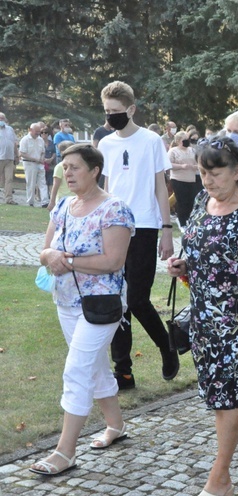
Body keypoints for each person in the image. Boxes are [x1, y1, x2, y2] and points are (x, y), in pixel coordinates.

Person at [167, 137, 238, 496]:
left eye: (215, 174)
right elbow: (200, 252)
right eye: (202, 173)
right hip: (204, 317)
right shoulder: (202, 201)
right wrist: (183, 265)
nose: (208, 181)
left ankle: (220, 480)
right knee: (219, 395)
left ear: (237, 171)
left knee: (227, 398)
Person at [32, 144, 135, 476]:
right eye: (65, 167)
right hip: (65, 301)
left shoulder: (114, 209)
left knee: (76, 370)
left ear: (95, 171)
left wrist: (69, 261)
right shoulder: (62, 206)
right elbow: (46, 250)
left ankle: (65, 452)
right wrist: (50, 257)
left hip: (101, 306)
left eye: (75, 167)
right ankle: (115, 425)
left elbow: (113, 261)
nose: (68, 173)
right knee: (94, 367)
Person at [98, 80, 179, 390]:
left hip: (144, 225)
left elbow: (161, 187)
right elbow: (105, 188)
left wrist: (167, 230)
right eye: (106, 111)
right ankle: (124, 371)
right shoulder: (105, 144)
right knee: (116, 301)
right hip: (113, 227)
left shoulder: (151, 141)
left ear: (131, 109)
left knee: (137, 298)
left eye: (116, 111)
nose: (110, 116)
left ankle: (166, 346)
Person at [167, 131, 202, 228]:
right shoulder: (173, 151)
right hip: (178, 179)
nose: (187, 141)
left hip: (191, 179)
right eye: (184, 140)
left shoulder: (192, 150)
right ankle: (182, 222)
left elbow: (198, 161)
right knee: (182, 201)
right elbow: (168, 164)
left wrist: (196, 166)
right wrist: (181, 166)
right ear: (178, 141)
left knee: (191, 201)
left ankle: (189, 220)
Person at [20, 122, 49, 207]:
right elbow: (22, 153)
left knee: (43, 183)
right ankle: (30, 202)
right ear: (31, 130)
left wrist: (42, 158)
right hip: (29, 164)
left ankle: (45, 202)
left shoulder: (40, 140)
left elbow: (43, 151)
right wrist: (35, 159)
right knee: (31, 183)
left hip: (40, 164)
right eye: (36, 131)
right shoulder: (25, 140)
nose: (38, 133)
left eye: (39, 131)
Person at [47, 140, 75, 211]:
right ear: (63, 152)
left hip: (74, 199)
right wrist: (52, 201)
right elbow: (55, 185)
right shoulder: (60, 167)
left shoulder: (76, 166)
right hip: (63, 201)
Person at [0, 113, 19, 204]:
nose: (1, 120)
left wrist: (17, 155)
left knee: (9, 179)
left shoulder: (10, 129)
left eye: (3, 119)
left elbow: (14, 143)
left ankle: (8, 199)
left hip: (9, 158)